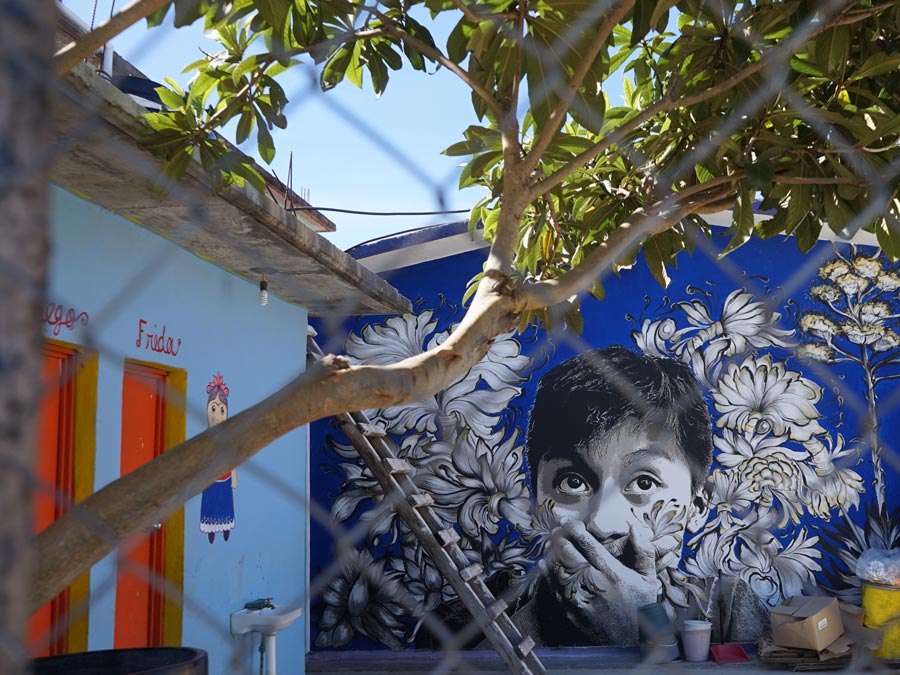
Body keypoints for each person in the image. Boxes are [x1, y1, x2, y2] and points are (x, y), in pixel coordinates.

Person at [510, 345, 769, 646]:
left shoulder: (727, 608)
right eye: (573, 482)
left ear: (697, 506)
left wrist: (627, 633)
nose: (604, 525)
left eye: (644, 483)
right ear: (537, 501)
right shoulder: (500, 618)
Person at [200, 372, 237, 543]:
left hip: (225, 478)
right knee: (210, 505)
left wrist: (234, 477)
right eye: (213, 408)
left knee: (224, 505)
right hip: (209, 480)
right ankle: (211, 531)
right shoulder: (205, 439)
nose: (217, 414)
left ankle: (226, 528)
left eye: (222, 410)